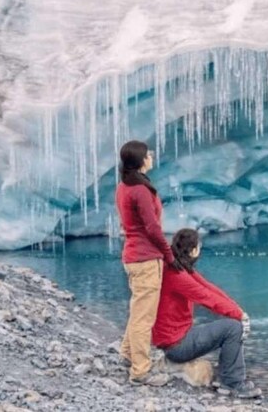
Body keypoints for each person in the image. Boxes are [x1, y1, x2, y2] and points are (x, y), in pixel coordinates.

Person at [153, 228, 258, 398]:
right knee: (233, 328)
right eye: (199, 247)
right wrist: (239, 317)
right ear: (194, 250)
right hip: (176, 346)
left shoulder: (179, 268)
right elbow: (206, 297)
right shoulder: (178, 276)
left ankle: (227, 376)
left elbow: (209, 288)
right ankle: (232, 383)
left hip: (176, 338)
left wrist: (238, 311)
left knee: (233, 324)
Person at [116, 140, 174, 386]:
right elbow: (151, 227)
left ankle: (128, 352)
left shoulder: (124, 187)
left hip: (133, 255)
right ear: (141, 161)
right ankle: (140, 370)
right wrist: (168, 253)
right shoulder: (139, 190)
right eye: (147, 154)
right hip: (146, 258)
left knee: (138, 309)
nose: (151, 156)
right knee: (144, 316)